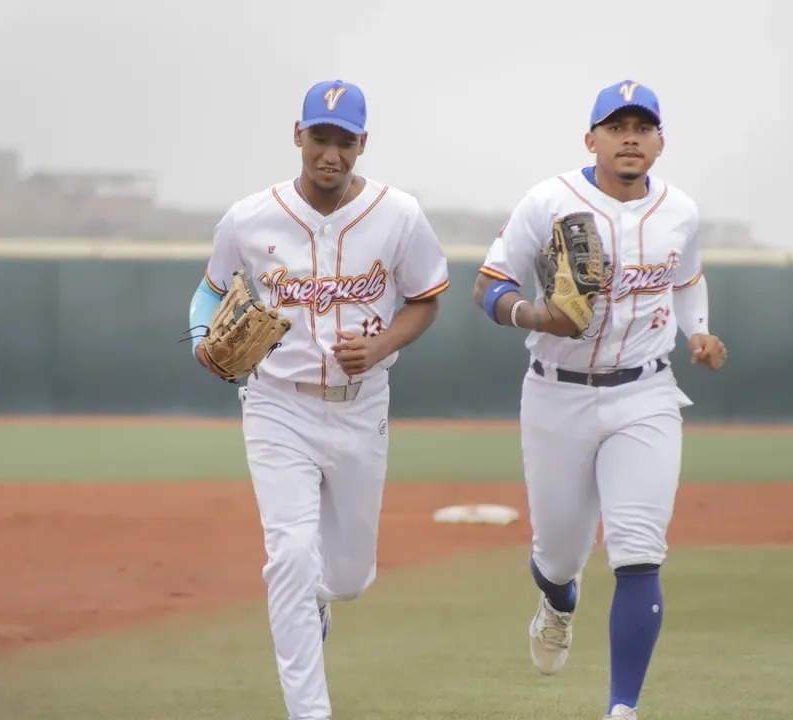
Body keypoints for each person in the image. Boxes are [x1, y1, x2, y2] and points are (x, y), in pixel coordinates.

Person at [188, 78, 450, 720]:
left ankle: (320, 600)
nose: (330, 154)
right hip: (277, 402)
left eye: (344, 141)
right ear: (298, 136)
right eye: (319, 138)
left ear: (362, 144)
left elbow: (426, 299)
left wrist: (383, 344)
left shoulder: (399, 215)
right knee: (290, 556)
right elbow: (211, 289)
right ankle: (309, 711)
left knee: (348, 577)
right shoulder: (249, 217)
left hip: (362, 405)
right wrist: (200, 340)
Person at [471, 79, 727, 720]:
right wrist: (533, 314)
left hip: (646, 392)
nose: (630, 138)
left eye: (643, 128)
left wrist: (698, 332)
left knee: (638, 549)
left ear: (660, 142)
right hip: (556, 394)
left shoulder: (680, 211)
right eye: (617, 127)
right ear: (591, 139)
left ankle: (622, 709)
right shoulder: (548, 200)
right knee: (559, 556)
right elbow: (489, 284)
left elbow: (687, 280)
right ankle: (558, 599)